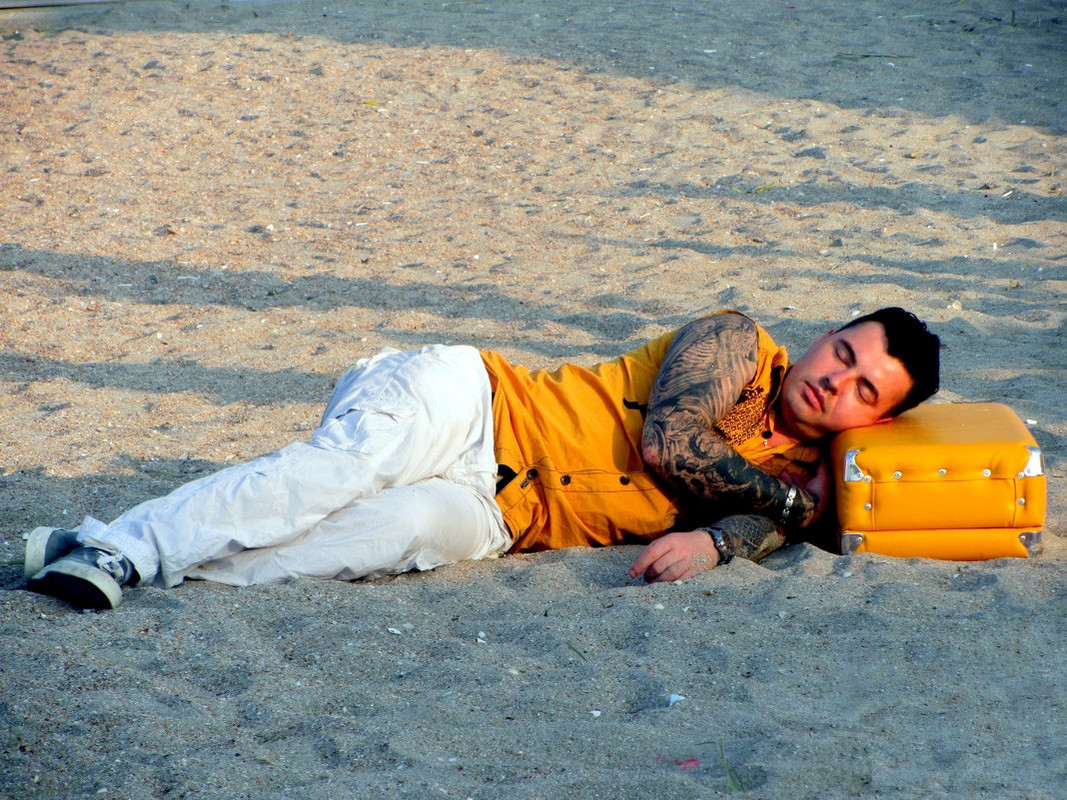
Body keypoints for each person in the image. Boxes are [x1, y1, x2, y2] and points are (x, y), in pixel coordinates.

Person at [23, 307, 940, 610]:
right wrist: (794, 507)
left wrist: (718, 541)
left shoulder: (806, 474)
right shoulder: (736, 342)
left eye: (864, 391)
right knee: (336, 474)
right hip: (470, 404)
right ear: (821, 338)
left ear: (878, 419)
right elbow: (674, 444)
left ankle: (93, 549)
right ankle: (125, 550)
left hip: (503, 517)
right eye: (842, 354)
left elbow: (757, 523)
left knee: (363, 540)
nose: (836, 383)